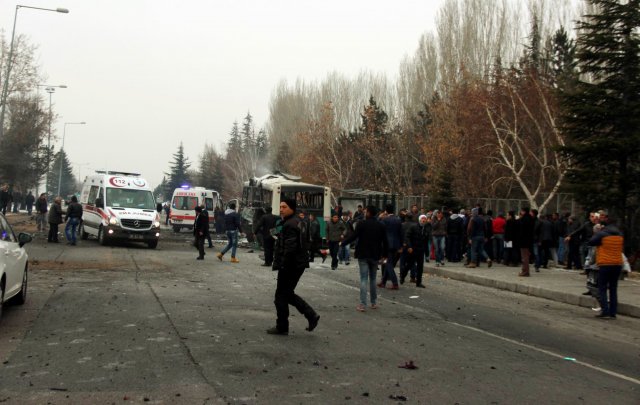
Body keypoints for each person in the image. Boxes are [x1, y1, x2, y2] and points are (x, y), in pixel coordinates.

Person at [267, 198, 319, 335]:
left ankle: (283, 326)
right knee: (286, 294)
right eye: (280, 207)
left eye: (284, 207)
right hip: (297, 264)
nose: (281, 209)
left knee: (280, 296)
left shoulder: (290, 224)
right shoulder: (298, 222)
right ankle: (310, 315)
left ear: (292, 208)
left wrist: (283, 264)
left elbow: (290, 248)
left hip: (291, 265)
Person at [341, 205, 388, 311]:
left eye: (366, 211)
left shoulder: (361, 224)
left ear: (369, 213)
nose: (364, 213)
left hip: (363, 254)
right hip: (375, 255)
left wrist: (343, 243)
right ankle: (373, 302)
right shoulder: (381, 225)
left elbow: (354, 236)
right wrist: (385, 255)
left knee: (363, 279)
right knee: (372, 279)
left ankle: (362, 304)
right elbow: (385, 241)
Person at [588, 211, 624, 319]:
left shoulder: (602, 233)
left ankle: (605, 311)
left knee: (602, 288)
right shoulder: (620, 234)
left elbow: (591, 242)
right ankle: (613, 312)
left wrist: (597, 233)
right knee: (613, 288)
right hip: (617, 263)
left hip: (605, 263)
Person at [404, 214, 430, 287]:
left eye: (425, 219)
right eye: (422, 219)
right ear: (419, 220)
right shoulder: (414, 227)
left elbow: (426, 241)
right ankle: (403, 275)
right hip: (413, 249)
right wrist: (409, 246)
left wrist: (427, 253)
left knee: (420, 267)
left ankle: (419, 282)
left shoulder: (426, 228)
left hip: (421, 250)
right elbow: (407, 236)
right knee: (409, 264)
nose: (424, 220)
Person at [379, 204, 402, 289]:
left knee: (388, 264)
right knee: (389, 262)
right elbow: (401, 233)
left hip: (386, 244)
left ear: (386, 211)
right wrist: (401, 245)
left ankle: (395, 283)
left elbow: (378, 227)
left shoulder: (385, 220)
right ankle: (383, 282)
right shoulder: (398, 220)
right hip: (396, 244)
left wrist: (379, 217)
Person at [516, 207, 534, 276]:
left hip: (524, 241)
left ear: (524, 211)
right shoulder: (531, 219)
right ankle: (525, 270)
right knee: (526, 256)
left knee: (524, 257)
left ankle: (525, 271)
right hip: (528, 240)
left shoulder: (524, 219)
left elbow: (521, 230)